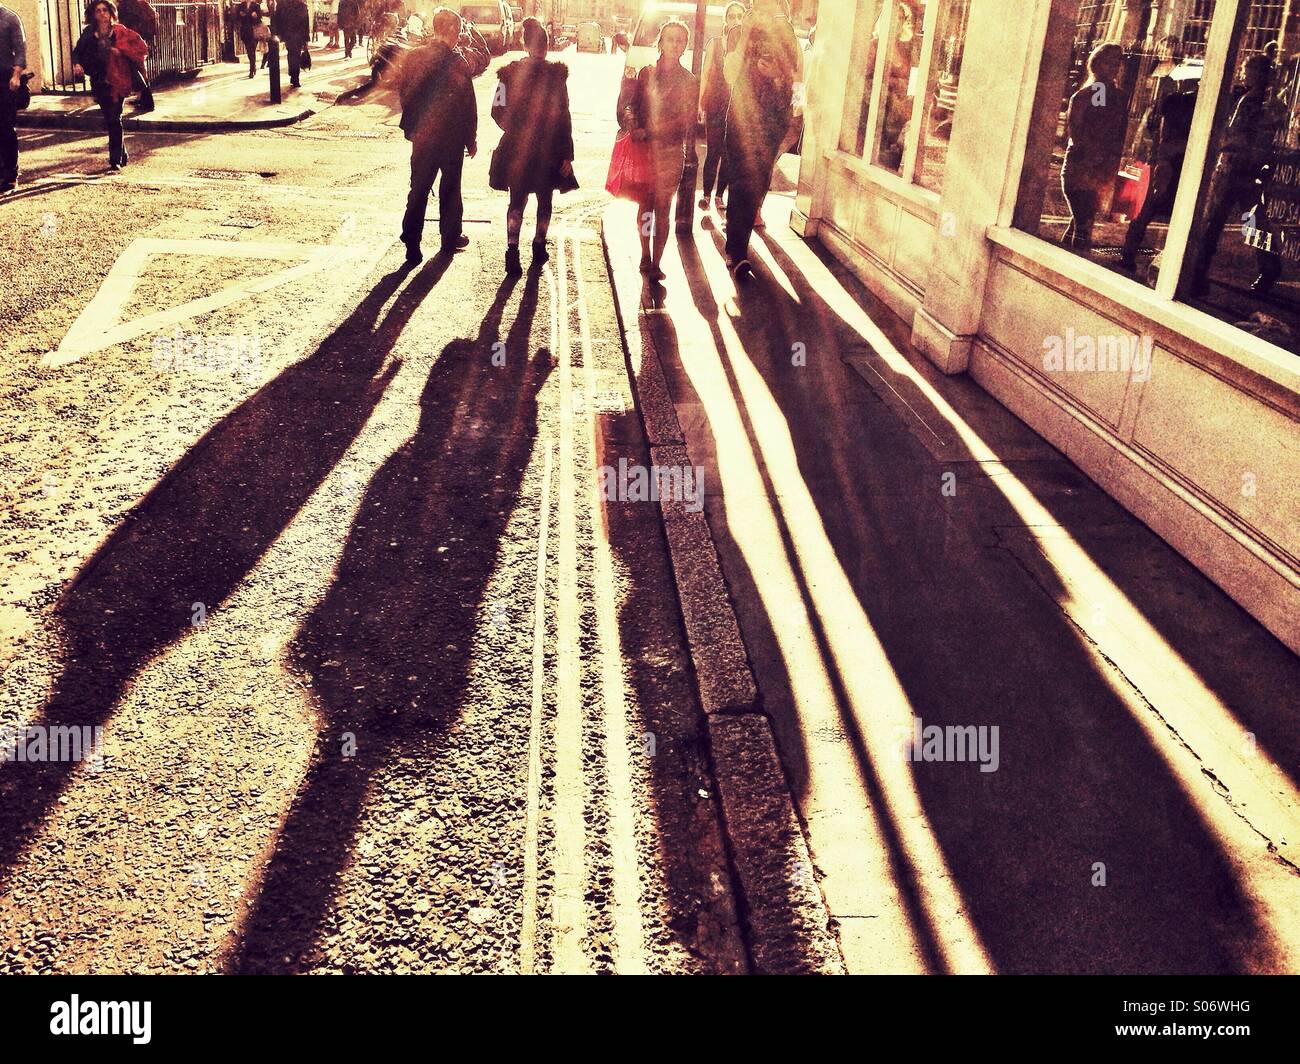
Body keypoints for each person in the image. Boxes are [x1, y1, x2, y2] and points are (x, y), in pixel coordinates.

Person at [1188, 52, 1286, 295]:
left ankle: (1198, 272)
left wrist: (1224, 147)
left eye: (1247, 68)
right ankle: (1269, 266)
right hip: (1251, 169)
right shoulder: (1266, 102)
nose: (1243, 72)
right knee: (1253, 222)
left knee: (1214, 221)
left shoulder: (1251, 101)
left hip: (1236, 168)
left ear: (1259, 74)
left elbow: (1237, 134)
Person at [398, 7, 485, 264]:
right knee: (450, 188)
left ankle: (412, 241)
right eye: (457, 31)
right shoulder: (457, 62)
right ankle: (450, 236)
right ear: (448, 31)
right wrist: (471, 138)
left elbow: (405, 94)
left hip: (423, 136)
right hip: (451, 138)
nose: (459, 36)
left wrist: (414, 125)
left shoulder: (414, 57)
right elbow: (468, 103)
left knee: (419, 188)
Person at [491, 18, 576, 276]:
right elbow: (564, 116)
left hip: (517, 148)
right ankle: (539, 245)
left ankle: (512, 250)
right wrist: (567, 154)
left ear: (524, 44)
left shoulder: (507, 74)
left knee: (516, 201)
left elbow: (496, 110)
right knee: (544, 199)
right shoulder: (557, 76)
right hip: (549, 150)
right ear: (546, 47)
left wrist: (515, 129)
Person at [722, 0, 799, 277]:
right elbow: (730, 74)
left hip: (772, 118)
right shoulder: (738, 30)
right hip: (742, 115)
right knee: (742, 180)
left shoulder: (786, 31)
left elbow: (796, 75)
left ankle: (737, 236)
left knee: (758, 181)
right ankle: (736, 251)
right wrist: (745, 34)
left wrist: (778, 75)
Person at [618, 19, 698, 280]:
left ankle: (657, 261)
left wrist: (650, 131)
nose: (675, 44)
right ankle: (644, 254)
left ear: (685, 45)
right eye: (670, 38)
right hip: (644, 151)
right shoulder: (646, 73)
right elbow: (632, 104)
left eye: (680, 40)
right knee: (646, 205)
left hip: (671, 152)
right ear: (660, 42)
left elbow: (685, 120)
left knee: (663, 208)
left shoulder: (689, 80)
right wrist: (631, 121)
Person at [1061, 42, 1128, 252]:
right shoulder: (1096, 93)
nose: (1115, 66)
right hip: (1082, 171)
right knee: (1084, 225)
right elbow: (1083, 132)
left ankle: (1065, 258)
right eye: (1110, 62)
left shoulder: (1113, 95)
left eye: (1118, 62)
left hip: (1098, 171)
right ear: (1097, 64)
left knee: (1079, 223)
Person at [72, 0, 149, 172]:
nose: (102, 14)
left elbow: (140, 48)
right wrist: (77, 64)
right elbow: (76, 51)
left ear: (111, 12)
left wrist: (120, 52)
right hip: (99, 81)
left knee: (115, 118)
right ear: (93, 14)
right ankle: (122, 153)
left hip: (118, 80)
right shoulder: (89, 33)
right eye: (98, 10)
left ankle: (114, 160)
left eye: (105, 10)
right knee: (109, 119)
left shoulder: (120, 32)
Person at [698, 1, 744, 212]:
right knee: (713, 151)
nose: (735, 20)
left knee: (728, 153)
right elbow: (706, 74)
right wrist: (700, 104)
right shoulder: (715, 43)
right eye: (732, 16)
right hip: (715, 104)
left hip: (736, 107)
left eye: (739, 16)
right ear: (725, 19)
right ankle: (706, 195)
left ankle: (719, 196)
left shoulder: (745, 47)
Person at [0, 2, 26, 196]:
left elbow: (20, 49)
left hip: (4, 79)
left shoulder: (9, 18)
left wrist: (16, 75)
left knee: (5, 126)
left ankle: (10, 176)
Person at [116, 0, 156, 111]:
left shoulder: (125, 5)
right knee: (140, 70)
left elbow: (123, 25)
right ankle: (143, 99)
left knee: (136, 72)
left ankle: (148, 102)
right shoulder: (141, 3)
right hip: (139, 40)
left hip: (131, 41)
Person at [272, 0, 310, 87]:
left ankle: (293, 75)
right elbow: (305, 24)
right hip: (296, 35)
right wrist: (306, 40)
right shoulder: (302, 5)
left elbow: (277, 19)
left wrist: (279, 34)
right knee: (295, 55)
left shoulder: (283, 4)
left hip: (289, 35)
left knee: (292, 54)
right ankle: (295, 77)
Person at [235, 0, 264, 77]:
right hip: (245, 31)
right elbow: (237, 17)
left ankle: (252, 69)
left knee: (252, 50)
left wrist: (256, 16)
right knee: (249, 50)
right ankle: (253, 66)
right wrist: (240, 15)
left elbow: (260, 18)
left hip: (254, 31)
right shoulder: (241, 5)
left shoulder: (256, 6)